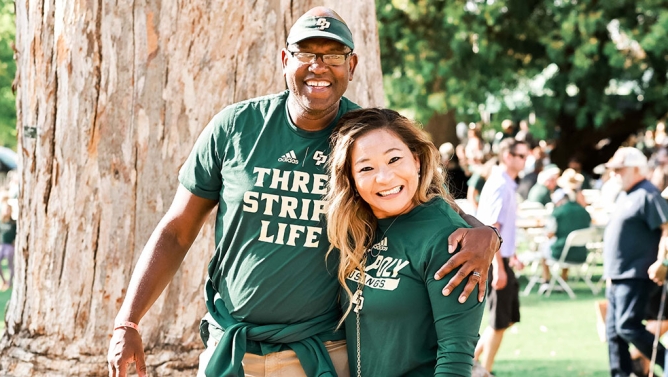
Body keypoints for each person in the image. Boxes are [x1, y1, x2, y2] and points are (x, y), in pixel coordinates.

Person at [107, 7, 500, 377]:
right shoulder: (236, 127)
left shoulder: (363, 138)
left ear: (352, 65)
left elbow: (422, 195)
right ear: (284, 60)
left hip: (319, 352)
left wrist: (485, 233)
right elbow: (177, 229)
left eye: (334, 55)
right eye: (307, 52)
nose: (319, 66)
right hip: (230, 346)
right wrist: (128, 319)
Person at [326, 108, 485, 376]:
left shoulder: (450, 239)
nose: (384, 177)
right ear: (351, 179)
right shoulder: (358, 229)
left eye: (394, 159)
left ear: (417, 160)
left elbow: (455, 358)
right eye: (366, 167)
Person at [603, 147, 668, 377]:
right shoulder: (625, 194)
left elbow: (666, 228)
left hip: (637, 273)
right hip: (618, 274)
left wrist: (663, 261)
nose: (615, 174)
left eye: (620, 170)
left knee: (627, 326)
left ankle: (666, 359)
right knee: (613, 333)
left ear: (637, 169)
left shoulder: (648, 193)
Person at [474, 138, 529, 373]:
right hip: (495, 259)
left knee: (504, 319)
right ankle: (483, 369)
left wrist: (511, 255)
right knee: (498, 321)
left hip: (501, 257)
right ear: (507, 156)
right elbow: (492, 227)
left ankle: (474, 364)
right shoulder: (500, 183)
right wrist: (499, 267)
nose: (524, 161)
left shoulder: (505, 183)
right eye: (520, 156)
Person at [538, 188, 591, 292]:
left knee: (544, 250)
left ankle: (546, 281)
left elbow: (550, 233)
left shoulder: (558, 212)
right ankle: (563, 279)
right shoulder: (584, 211)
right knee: (567, 246)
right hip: (581, 253)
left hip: (561, 253)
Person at [0, 200, 15, 291]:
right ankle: (4, 281)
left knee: (10, 265)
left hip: (9, 246)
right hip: (1, 245)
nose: (6, 211)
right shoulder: (0, 222)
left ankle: (10, 282)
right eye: (5, 209)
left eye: (8, 209)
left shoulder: (13, 223)